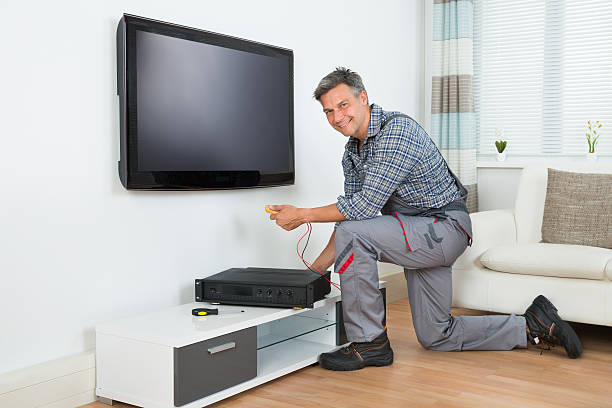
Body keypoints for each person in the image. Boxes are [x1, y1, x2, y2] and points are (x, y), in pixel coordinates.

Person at [268, 67, 582, 371]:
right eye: (328, 112)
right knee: (436, 334)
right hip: (416, 232)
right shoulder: (352, 152)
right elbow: (351, 219)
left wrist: (303, 215)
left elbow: (360, 211)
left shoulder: (396, 131)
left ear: (363, 98)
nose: (337, 117)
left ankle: (369, 344)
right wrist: (315, 272)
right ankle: (532, 325)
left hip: (443, 228)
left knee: (355, 231)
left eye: (343, 105)